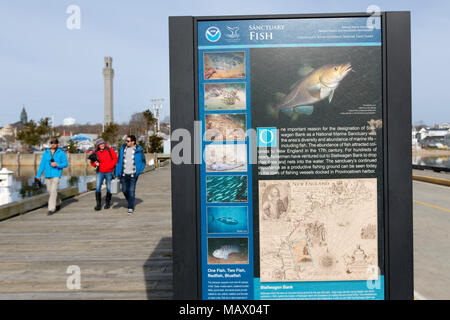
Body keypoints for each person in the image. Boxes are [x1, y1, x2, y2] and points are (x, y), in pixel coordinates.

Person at [35, 138, 68, 215]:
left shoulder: (61, 153)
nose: (53, 144)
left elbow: (65, 164)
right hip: (47, 175)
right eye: (52, 143)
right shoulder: (46, 153)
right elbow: (42, 165)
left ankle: (51, 209)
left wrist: (57, 164)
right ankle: (58, 202)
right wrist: (38, 176)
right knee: (50, 191)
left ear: (57, 144)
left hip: (56, 174)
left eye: (54, 143)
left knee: (53, 191)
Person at [115, 135, 146, 215]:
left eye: (128, 141)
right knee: (124, 190)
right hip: (124, 174)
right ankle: (130, 201)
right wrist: (117, 173)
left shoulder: (139, 149)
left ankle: (130, 207)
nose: (126, 142)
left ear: (133, 142)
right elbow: (119, 161)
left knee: (131, 191)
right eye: (126, 141)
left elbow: (143, 161)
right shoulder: (123, 148)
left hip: (133, 174)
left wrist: (138, 171)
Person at [91, 138, 118, 211]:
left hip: (109, 172)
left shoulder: (109, 150)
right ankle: (98, 205)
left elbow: (115, 159)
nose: (102, 145)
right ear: (98, 145)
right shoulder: (96, 152)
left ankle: (107, 203)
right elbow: (92, 160)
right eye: (100, 144)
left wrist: (110, 166)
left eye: (102, 143)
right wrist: (94, 163)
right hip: (100, 172)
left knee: (109, 188)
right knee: (97, 187)